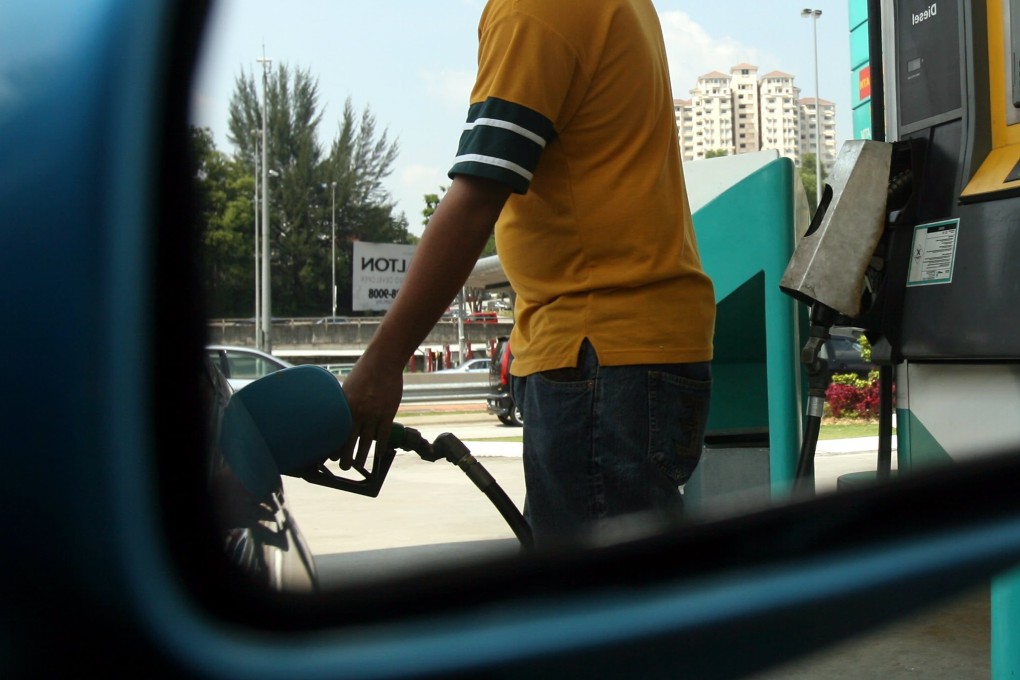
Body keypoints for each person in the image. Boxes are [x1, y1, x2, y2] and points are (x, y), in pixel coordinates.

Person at [337, 0, 716, 545]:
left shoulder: (534, 8)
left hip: (597, 352)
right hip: (634, 346)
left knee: (596, 616)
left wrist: (381, 365)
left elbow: (476, 197)